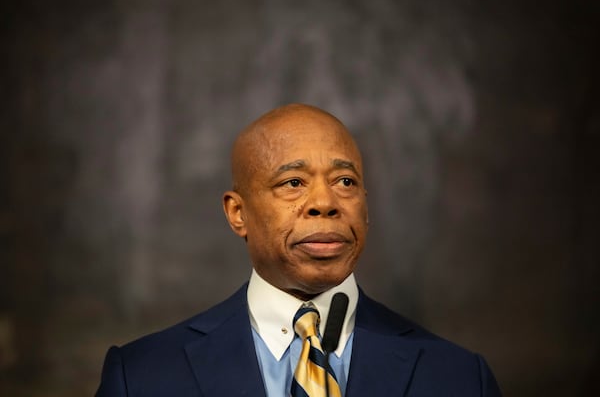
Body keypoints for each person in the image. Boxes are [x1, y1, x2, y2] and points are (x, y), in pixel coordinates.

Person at [96, 103, 502, 396]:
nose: (324, 202)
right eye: (293, 183)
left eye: (345, 182)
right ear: (238, 213)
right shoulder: (141, 377)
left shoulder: (460, 378)